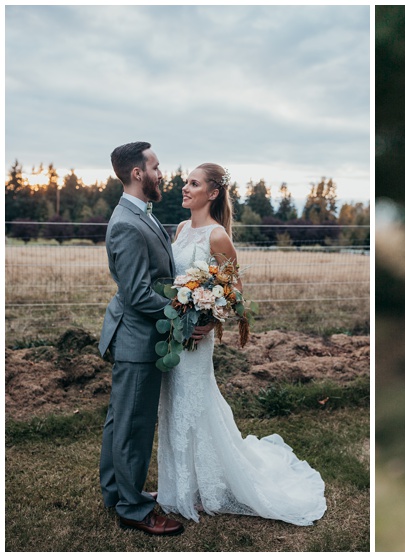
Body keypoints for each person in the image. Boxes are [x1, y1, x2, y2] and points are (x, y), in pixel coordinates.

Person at [155, 163, 327, 526]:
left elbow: (235, 294)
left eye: (193, 183)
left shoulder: (217, 237)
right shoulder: (182, 228)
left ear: (212, 193)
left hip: (197, 339)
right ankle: (177, 485)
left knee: (194, 403)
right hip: (176, 333)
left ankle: (206, 488)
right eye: (186, 182)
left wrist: (208, 320)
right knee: (174, 404)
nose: (184, 188)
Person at [99, 141, 207, 536]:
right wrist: (186, 312)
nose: (163, 174)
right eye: (156, 167)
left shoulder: (139, 213)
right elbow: (138, 294)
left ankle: (115, 491)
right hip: (137, 339)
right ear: (138, 173)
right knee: (134, 426)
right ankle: (133, 509)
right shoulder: (127, 222)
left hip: (138, 335)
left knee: (120, 422)